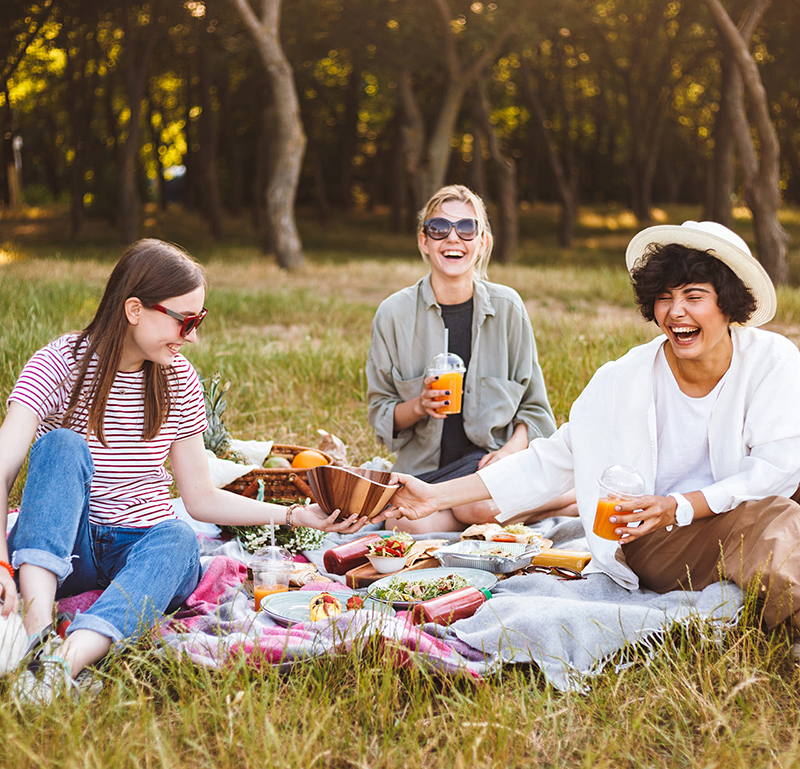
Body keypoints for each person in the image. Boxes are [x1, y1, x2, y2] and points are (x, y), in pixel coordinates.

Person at [378, 220, 800, 644]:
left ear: (728, 304)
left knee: (780, 505)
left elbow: (777, 469)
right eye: (665, 298)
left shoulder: (771, 360)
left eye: (694, 297)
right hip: (655, 538)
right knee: (774, 518)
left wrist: (679, 504)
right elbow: (551, 461)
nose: (676, 312)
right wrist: (435, 495)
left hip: (722, 512)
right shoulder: (623, 379)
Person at [0, 238, 366, 704]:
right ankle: (36, 633)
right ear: (135, 309)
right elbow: (3, 467)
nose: (193, 336)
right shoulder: (60, 363)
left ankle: (60, 664)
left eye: (201, 320)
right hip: (64, 547)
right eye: (185, 320)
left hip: (140, 546)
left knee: (177, 538)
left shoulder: (178, 379)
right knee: (60, 445)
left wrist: (294, 517)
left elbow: (201, 498)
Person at [366, 184, 575, 532]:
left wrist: (508, 454)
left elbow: (535, 410)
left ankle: (551, 500)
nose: (453, 238)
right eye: (439, 228)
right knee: (410, 527)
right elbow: (381, 415)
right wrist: (419, 405)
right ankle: (564, 503)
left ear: (483, 243)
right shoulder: (393, 314)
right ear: (424, 241)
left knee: (478, 502)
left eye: (466, 228)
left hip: (490, 466)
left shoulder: (509, 308)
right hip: (426, 474)